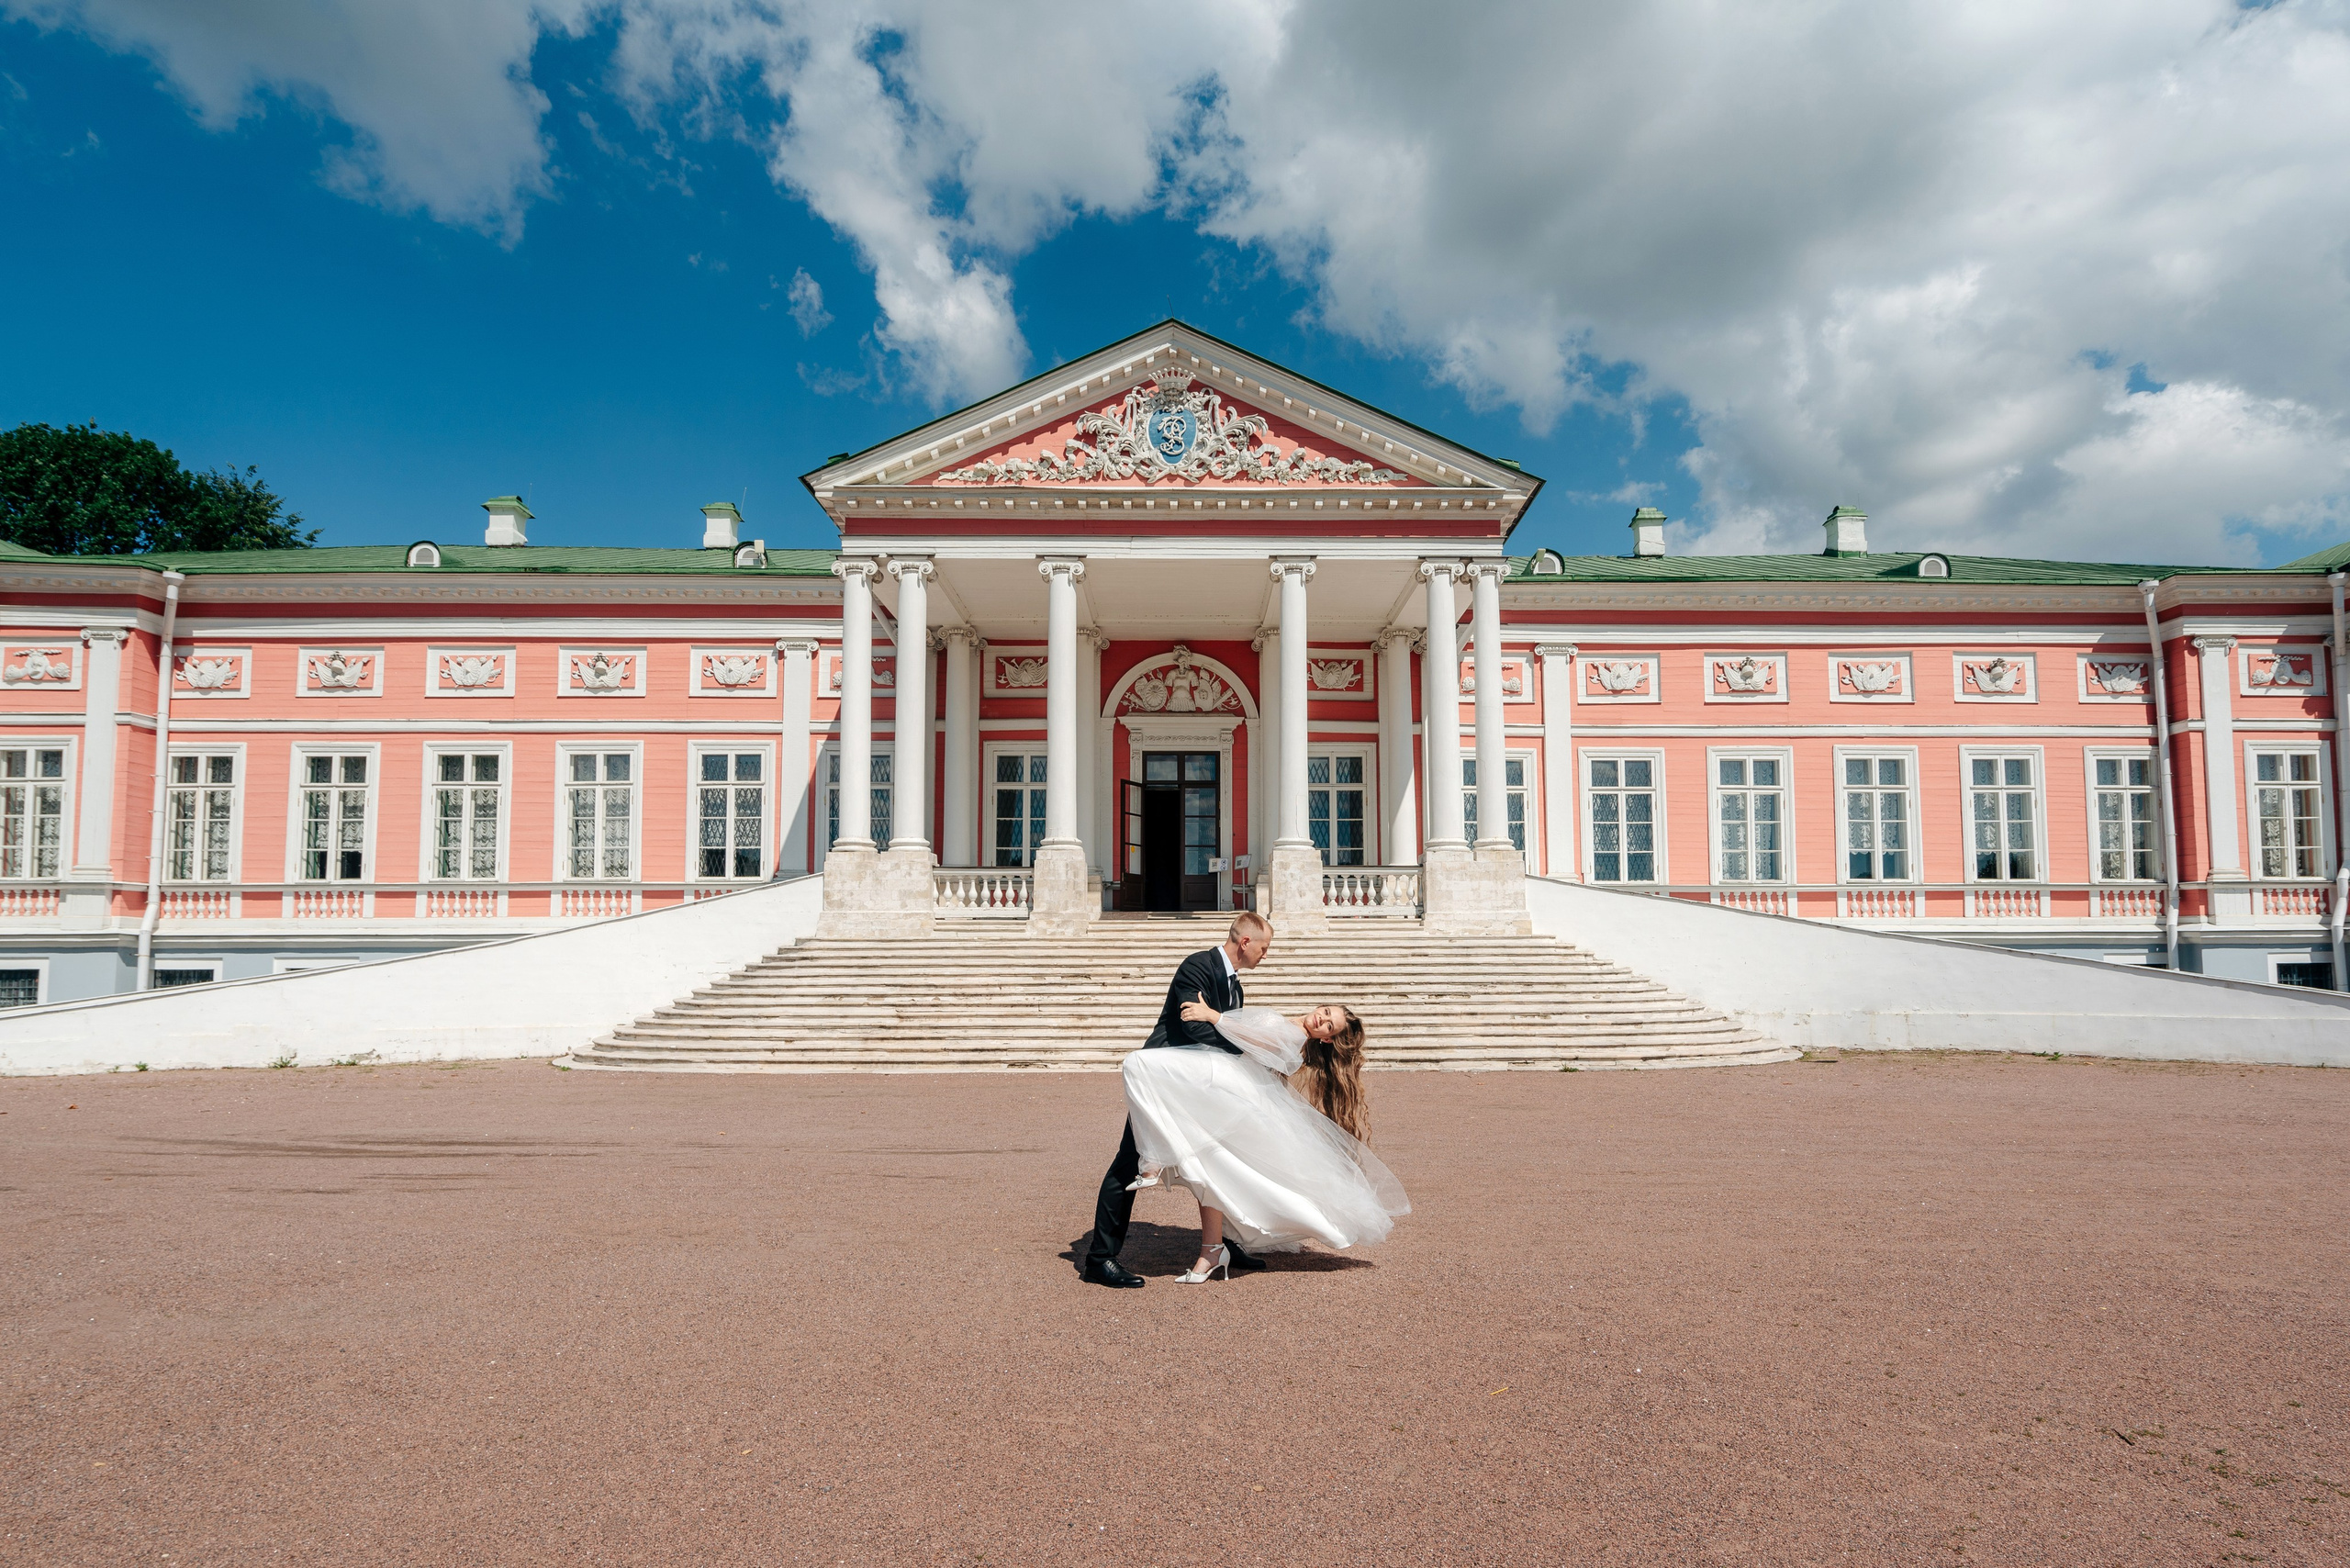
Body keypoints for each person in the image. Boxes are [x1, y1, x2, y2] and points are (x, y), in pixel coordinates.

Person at [1123, 997, 1408, 1282]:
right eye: (1325, 1012)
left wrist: (1213, 1016)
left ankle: (1155, 1162)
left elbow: (1256, 1041)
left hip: (1228, 1089)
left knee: (1140, 1064)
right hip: (1227, 1087)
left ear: (1326, 1040)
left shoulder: (1296, 1036)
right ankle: (1211, 1248)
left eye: (1329, 1026)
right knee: (1210, 1168)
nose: (1322, 1020)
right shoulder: (1293, 1026)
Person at [1080, 911, 1272, 1288]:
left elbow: (1221, 1028)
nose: (1267, 955)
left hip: (1201, 1087)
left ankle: (1227, 1243)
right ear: (1245, 942)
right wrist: (1244, 1048)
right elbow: (1194, 1025)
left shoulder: (1237, 987)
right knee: (1130, 1162)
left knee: (1222, 1161)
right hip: (1164, 1082)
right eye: (1265, 948)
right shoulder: (1198, 966)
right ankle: (1099, 1260)